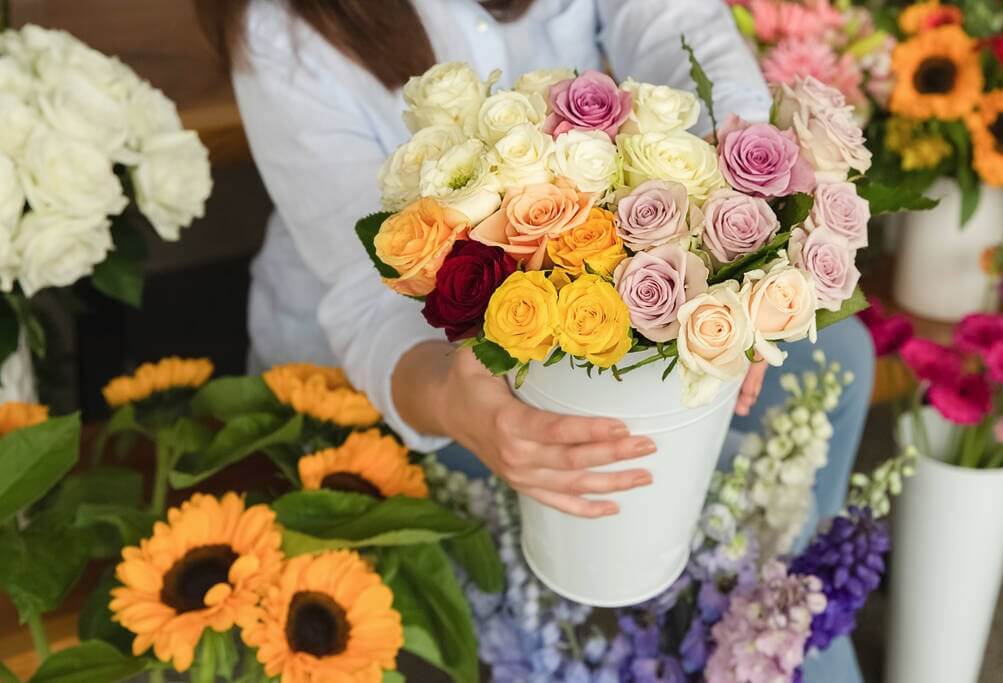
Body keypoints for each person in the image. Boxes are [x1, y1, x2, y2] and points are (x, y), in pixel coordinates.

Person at [196, 2, 871, 680]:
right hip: (409, 367)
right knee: (679, 494)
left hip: (589, 277)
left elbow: (672, 22)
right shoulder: (282, 30)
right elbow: (367, 293)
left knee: (835, 361)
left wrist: (747, 221)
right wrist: (457, 406)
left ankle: (783, 609)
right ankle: (771, 623)